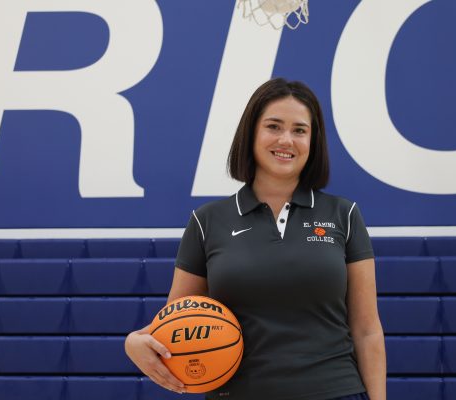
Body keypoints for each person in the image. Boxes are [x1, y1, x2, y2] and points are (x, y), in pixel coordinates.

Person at [125, 78, 386, 400]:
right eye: (274, 126)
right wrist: (135, 341)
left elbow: (366, 329)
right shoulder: (207, 221)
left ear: (313, 141)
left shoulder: (344, 215)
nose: (286, 140)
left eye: (300, 130)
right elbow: (178, 321)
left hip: (335, 391)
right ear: (251, 134)